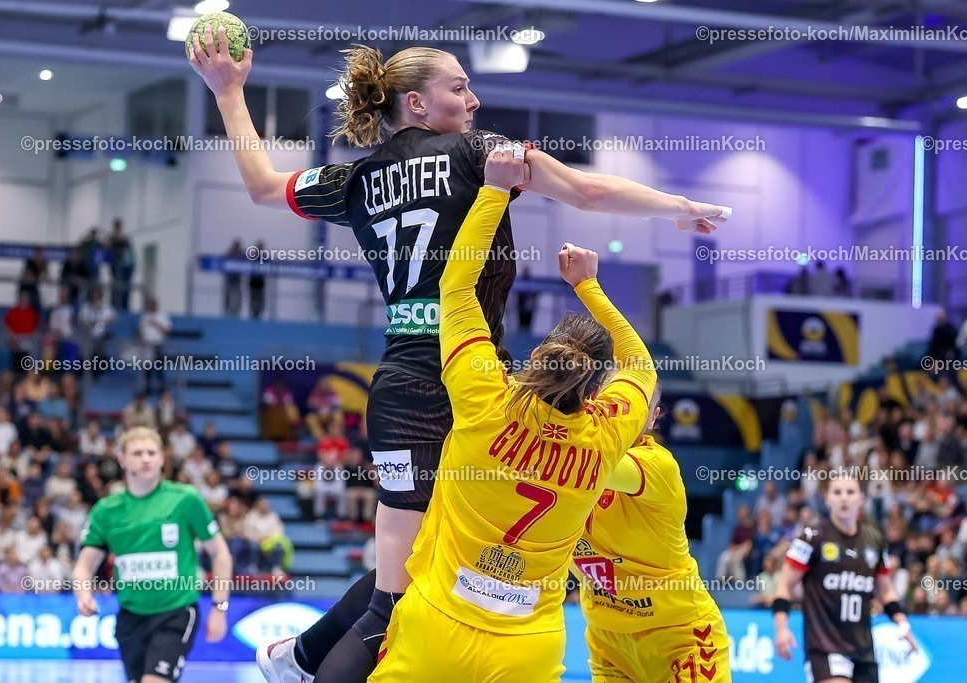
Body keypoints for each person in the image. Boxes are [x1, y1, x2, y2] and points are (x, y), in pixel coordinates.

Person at [189, 32, 726, 683]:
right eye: (459, 87)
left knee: (414, 572)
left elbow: (262, 186)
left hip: (401, 383)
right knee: (405, 589)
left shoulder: (357, 178)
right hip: (476, 383)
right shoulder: (481, 152)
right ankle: (300, 662)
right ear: (416, 102)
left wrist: (229, 92)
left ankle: (298, 656)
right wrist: (678, 208)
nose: (474, 99)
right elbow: (586, 193)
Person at [368, 151, 657, 682]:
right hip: (530, 644)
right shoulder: (604, 438)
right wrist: (590, 288)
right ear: (594, 388)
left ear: (540, 357)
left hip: (438, 622)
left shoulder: (487, 399)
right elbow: (640, 366)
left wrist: (494, 191)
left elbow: (454, 287)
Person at [573, 386, 731, 683]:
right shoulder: (564, 470)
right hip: (609, 640)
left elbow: (586, 463)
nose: (624, 410)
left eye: (637, 405)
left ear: (652, 417)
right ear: (594, 399)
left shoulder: (658, 466)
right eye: (615, 398)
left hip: (681, 638)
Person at [72, 427, 233, 683]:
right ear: (122, 459)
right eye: (137, 453)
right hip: (130, 618)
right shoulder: (106, 510)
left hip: (176, 611)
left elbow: (220, 553)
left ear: (162, 458)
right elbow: (84, 564)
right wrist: (83, 594)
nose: (145, 459)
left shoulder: (185, 499)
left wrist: (219, 607)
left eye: (151, 452)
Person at [773, 472, 917, 683]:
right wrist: (781, 629)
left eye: (850, 492)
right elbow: (784, 584)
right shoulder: (812, 537)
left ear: (861, 498)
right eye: (837, 492)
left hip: (863, 648)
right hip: (825, 645)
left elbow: (885, 590)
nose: (843, 498)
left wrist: (903, 625)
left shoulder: (874, 539)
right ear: (827, 499)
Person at [139, 297, 171, 395]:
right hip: (146, 345)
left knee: (158, 368)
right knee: (147, 369)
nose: (151, 306)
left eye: (153, 304)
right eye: (150, 304)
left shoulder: (162, 316)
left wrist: (156, 324)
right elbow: (141, 330)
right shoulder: (145, 317)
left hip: (157, 345)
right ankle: (147, 389)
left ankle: (162, 389)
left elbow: (167, 331)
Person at [109, 218, 136, 311]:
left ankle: (124, 307)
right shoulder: (112, 237)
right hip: (118, 266)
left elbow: (124, 243)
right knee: (117, 287)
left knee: (125, 288)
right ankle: (117, 306)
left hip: (127, 266)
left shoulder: (124, 237)